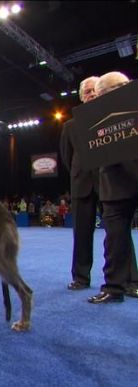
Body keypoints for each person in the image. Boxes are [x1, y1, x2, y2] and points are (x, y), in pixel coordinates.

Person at [87, 71, 138, 303]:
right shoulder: (92, 117)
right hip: (113, 183)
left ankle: (122, 286)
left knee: (115, 238)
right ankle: (114, 287)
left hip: (121, 181)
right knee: (115, 239)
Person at [60, 76, 102, 290]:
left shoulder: (113, 117)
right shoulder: (70, 125)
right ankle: (81, 278)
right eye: (87, 92)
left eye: (95, 90)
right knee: (82, 234)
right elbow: (67, 157)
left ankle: (128, 279)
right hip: (82, 184)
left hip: (110, 183)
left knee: (118, 233)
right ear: (82, 98)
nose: (91, 94)